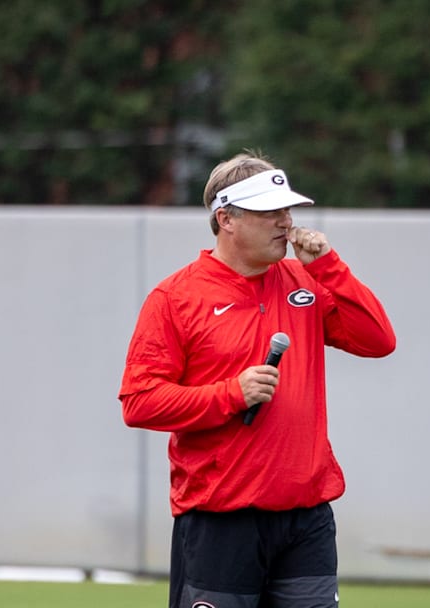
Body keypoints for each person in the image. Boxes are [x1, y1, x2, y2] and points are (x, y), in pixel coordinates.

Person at [119, 151, 396, 608]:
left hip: (306, 518)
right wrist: (231, 394)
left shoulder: (302, 278)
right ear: (225, 219)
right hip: (221, 519)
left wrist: (328, 266)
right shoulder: (175, 298)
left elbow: (377, 339)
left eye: (287, 210)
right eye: (270, 212)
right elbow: (139, 401)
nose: (285, 223)